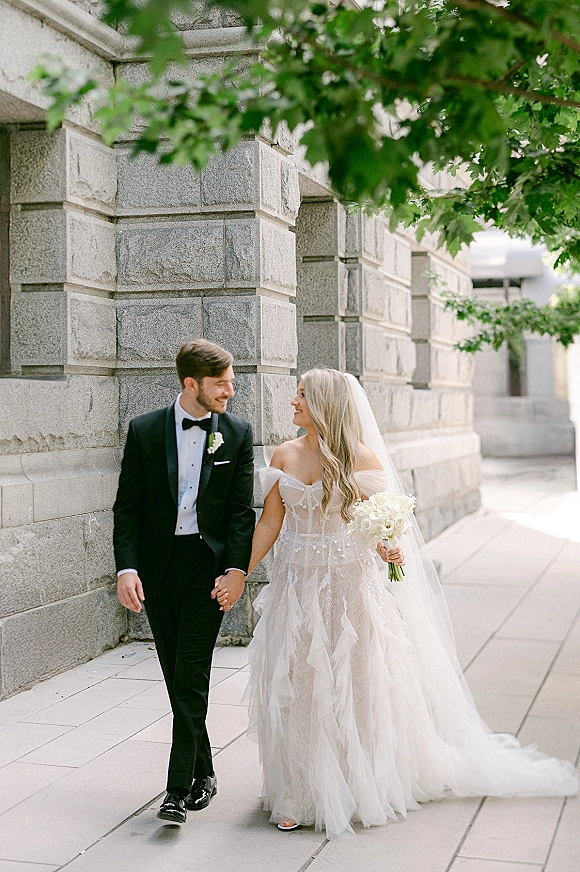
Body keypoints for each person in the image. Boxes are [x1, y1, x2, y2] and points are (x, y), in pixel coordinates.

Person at [218, 368, 578, 839]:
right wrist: (239, 571)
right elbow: (268, 524)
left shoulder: (362, 458)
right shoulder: (284, 455)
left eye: (303, 395)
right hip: (296, 588)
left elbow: (380, 524)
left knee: (354, 681)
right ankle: (296, 793)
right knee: (299, 683)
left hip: (349, 587)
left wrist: (388, 547)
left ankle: (354, 782)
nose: (293, 402)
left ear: (325, 403)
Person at [113, 339, 254, 824]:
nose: (231, 392)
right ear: (191, 383)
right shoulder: (145, 430)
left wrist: (237, 572)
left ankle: (176, 790)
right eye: (221, 384)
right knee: (177, 676)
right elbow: (127, 507)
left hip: (206, 570)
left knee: (191, 673)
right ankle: (206, 771)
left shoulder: (236, 433)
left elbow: (240, 514)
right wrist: (126, 568)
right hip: (157, 569)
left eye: (231, 382)